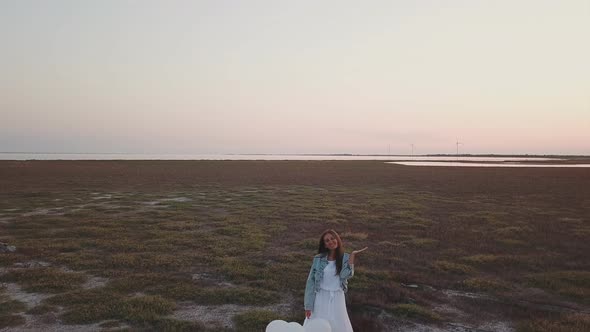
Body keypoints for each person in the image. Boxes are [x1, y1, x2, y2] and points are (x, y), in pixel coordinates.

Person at [304, 229, 368, 332]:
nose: (331, 241)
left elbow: (346, 275)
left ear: (337, 239)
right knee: (318, 324)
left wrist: (351, 258)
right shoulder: (318, 259)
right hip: (321, 296)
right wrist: (308, 305)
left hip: (337, 297)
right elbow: (310, 282)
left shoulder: (345, 258)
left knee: (339, 325)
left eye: (332, 238)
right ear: (324, 245)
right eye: (327, 240)